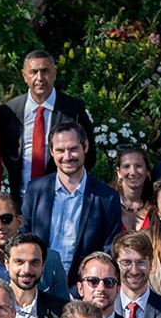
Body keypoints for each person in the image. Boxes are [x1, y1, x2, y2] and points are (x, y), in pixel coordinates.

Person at [20, 121, 122, 300]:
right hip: (37, 291)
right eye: (60, 150)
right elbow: (22, 239)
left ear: (85, 147)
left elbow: (108, 252)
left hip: (84, 295)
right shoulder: (35, 190)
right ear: (51, 151)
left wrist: (78, 291)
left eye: (73, 149)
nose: (67, 157)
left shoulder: (107, 197)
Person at [0, 49, 93, 209]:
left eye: (45, 71)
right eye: (33, 72)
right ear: (24, 76)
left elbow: (88, 155)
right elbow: (5, 154)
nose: (40, 78)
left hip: (62, 200)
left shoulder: (73, 109)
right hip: (21, 200)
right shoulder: (10, 111)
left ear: (54, 73)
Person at [1, 234, 68, 318]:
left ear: (43, 266)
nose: (27, 270)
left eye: (34, 263)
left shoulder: (60, 311)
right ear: (7, 264)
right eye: (19, 262)